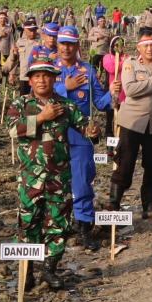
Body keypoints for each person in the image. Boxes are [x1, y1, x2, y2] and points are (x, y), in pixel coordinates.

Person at [4, 50, 95, 290]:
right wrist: (42, 117)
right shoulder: (21, 104)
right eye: (37, 76)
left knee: (58, 223)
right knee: (28, 223)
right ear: (30, 80)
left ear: (54, 79)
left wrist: (92, 131)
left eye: (47, 76)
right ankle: (28, 271)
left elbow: (85, 126)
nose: (42, 80)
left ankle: (50, 268)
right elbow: (13, 130)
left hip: (58, 177)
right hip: (30, 178)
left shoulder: (65, 105)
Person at [53, 26, 112, 250]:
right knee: (54, 183)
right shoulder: (49, 69)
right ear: (57, 45)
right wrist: (63, 87)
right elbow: (36, 95)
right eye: (62, 43)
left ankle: (84, 226)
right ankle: (57, 224)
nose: (66, 48)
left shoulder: (87, 71)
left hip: (81, 135)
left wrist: (114, 92)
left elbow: (100, 103)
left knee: (83, 182)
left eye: (71, 44)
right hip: (54, 136)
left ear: (78, 46)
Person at [108, 29, 152, 220]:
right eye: (146, 45)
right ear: (139, 47)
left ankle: (149, 206)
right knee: (125, 163)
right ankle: (114, 202)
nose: (150, 49)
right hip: (133, 122)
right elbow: (130, 89)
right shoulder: (131, 64)